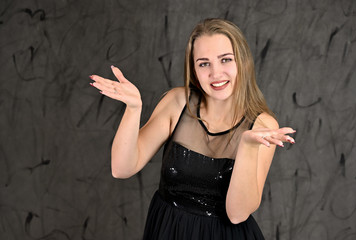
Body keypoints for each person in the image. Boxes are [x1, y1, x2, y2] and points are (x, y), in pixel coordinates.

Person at [90, 18, 295, 240]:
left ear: (243, 62)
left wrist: (246, 146)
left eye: (225, 60)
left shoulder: (262, 126)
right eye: (204, 63)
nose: (216, 74)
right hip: (167, 230)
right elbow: (121, 169)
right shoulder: (178, 102)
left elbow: (237, 214)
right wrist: (133, 109)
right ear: (194, 69)